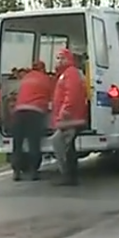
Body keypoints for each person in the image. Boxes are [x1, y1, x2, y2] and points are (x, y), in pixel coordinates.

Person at [51, 48, 87, 186]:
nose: (59, 61)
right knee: (68, 146)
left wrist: (64, 112)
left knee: (59, 143)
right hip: (70, 118)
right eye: (58, 58)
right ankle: (70, 175)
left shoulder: (70, 73)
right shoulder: (67, 73)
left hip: (70, 118)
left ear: (69, 59)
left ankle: (67, 175)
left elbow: (72, 94)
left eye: (62, 58)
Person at [11, 60, 52, 181]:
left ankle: (16, 171)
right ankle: (34, 171)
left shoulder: (26, 78)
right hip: (35, 112)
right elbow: (53, 97)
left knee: (17, 143)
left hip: (19, 112)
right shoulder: (46, 79)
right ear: (43, 69)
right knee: (34, 142)